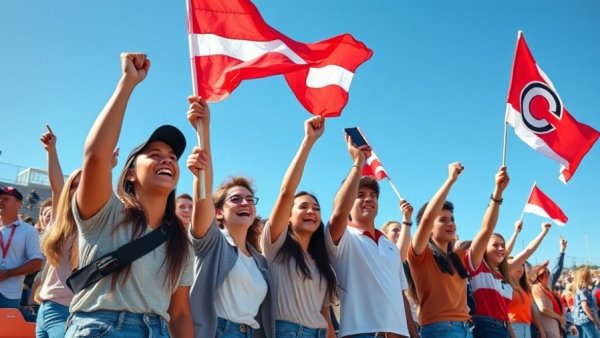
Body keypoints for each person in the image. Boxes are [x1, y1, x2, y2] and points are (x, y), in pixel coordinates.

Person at [64, 53, 194, 338]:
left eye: (172, 157)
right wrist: (127, 83)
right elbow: (96, 156)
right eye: (154, 155)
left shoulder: (180, 242)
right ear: (131, 173)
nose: (167, 161)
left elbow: (181, 313)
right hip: (101, 327)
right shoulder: (105, 212)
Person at [186, 96, 274, 338]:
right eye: (235, 199)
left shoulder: (260, 261)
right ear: (219, 212)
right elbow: (203, 194)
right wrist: (204, 131)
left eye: (249, 199)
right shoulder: (213, 243)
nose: (245, 202)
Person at [325, 139, 418, 338]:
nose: (368, 198)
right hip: (360, 332)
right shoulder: (344, 238)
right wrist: (358, 162)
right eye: (360, 195)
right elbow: (338, 214)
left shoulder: (390, 246)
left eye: (373, 195)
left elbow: (400, 294)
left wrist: (413, 333)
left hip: (399, 334)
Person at [408, 163, 508, 338]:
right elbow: (426, 219)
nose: (450, 223)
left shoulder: (461, 258)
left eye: (452, 219)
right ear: (430, 228)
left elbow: (486, 230)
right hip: (439, 330)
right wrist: (450, 180)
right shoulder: (420, 255)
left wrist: (498, 193)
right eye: (443, 220)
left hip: (466, 329)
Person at [260, 116, 337, 338]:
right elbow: (286, 192)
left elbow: (324, 313)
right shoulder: (276, 246)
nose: (311, 212)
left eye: (316, 208)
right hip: (286, 331)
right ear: (289, 215)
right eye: (303, 206)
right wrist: (308, 141)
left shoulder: (322, 262)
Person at [0, 186, 43, 308]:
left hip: (8, 295)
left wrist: (7, 273)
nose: (0, 201)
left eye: (5, 199)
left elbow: (36, 262)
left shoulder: (28, 230)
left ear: (18, 204)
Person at [573, 268, 600, 338]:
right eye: (590, 275)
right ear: (586, 277)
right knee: (594, 336)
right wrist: (593, 318)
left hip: (579, 319)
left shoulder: (580, 289)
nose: (592, 277)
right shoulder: (584, 290)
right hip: (585, 319)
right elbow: (584, 306)